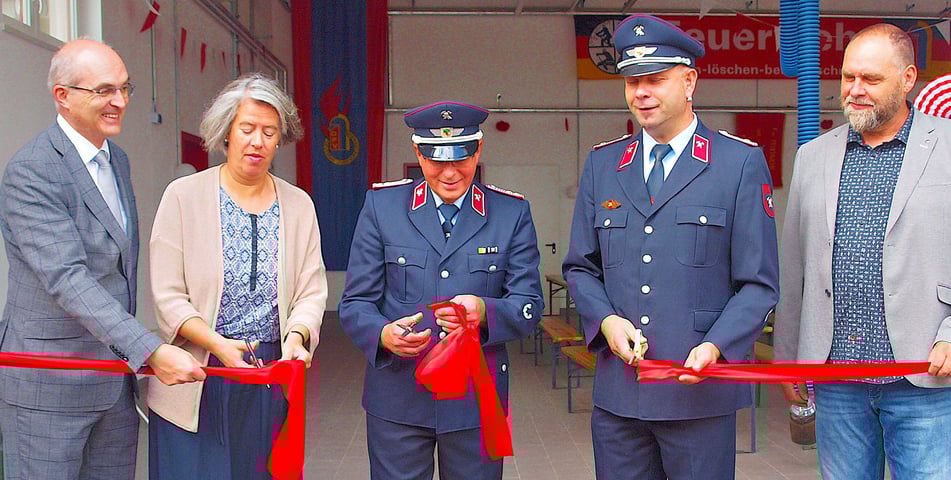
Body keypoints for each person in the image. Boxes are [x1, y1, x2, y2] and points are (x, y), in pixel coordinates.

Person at [774, 23, 951, 480]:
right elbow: (794, 264)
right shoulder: (814, 155)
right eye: (848, 78)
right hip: (836, 376)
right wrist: (788, 354)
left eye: (871, 79)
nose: (855, 91)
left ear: (908, 78)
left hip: (924, 370)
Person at [562, 14, 780, 480]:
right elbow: (581, 267)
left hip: (698, 392)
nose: (641, 92)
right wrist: (606, 320)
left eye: (655, 80)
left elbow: (758, 284)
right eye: (632, 81)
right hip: (621, 396)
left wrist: (718, 346)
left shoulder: (737, 163)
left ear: (689, 82)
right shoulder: (603, 165)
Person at [0, 39, 205, 479]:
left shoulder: (118, 161)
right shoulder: (32, 171)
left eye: (125, 88)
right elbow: (66, 278)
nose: (119, 101)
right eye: (104, 90)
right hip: (49, 387)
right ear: (63, 96)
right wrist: (148, 349)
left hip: (113, 385)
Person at [339, 101, 543, 479]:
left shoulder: (510, 213)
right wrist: (381, 334)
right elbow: (355, 302)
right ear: (418, 152)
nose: (450, 173)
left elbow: (528, 304)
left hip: (475, 398)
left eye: (461, 159)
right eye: (436, 161)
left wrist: (484, 312)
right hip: (398, 395)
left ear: (478, 149)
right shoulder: (383, 208)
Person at [145, 73, 328, 479]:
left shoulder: (298, 205)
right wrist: (219, 346)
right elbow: (168, 295)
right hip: (197, 372)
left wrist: (296, 338)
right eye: (247, 129)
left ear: (280, 140)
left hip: (268, 372)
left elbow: (311, 291)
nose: (257, 141)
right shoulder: (182, 196)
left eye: (269, 132)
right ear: (225, 132)